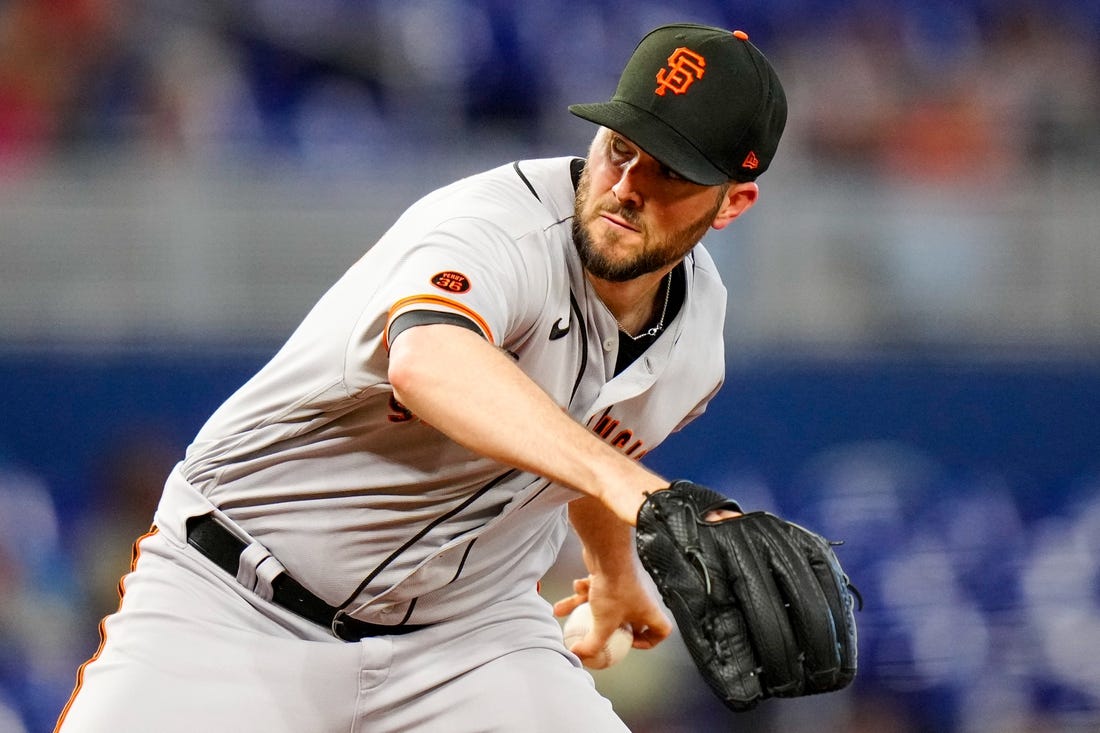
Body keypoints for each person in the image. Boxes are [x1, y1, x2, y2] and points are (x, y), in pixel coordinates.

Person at [56, 22, 787, 733]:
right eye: (620, 147)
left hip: (467, 642)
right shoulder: (497, 227)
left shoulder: (695, 343)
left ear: (733, 202)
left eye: (669, 169)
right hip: (234, 601)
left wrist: (614, 568)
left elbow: (595, 450)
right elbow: (428, 360)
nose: (626, 185)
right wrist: (639, 496)